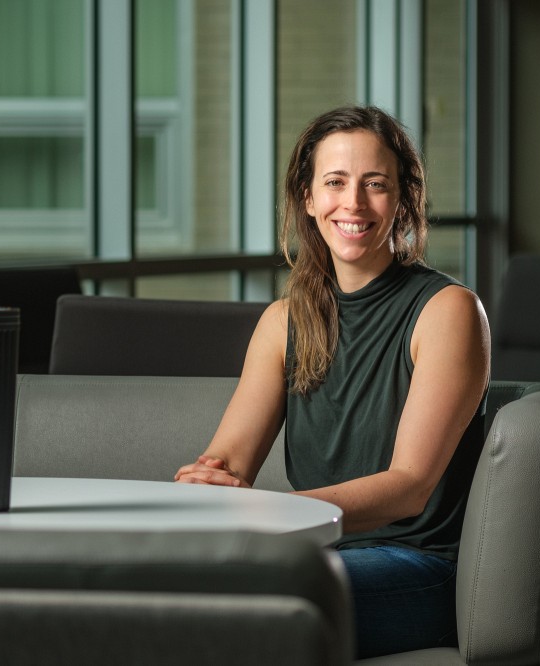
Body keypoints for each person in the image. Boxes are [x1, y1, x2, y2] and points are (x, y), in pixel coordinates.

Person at [174, 105, 490, 659]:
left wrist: (277, 514)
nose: (354, 203)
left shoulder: (448, 310)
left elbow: (410, 486)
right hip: (315, 551)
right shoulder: (283, 321)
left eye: (375, 185)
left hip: (418, 566)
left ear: (403, 199)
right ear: (308, 197)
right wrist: (205, 482)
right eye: (336, 183)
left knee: (238, 601)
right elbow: (227, 461)